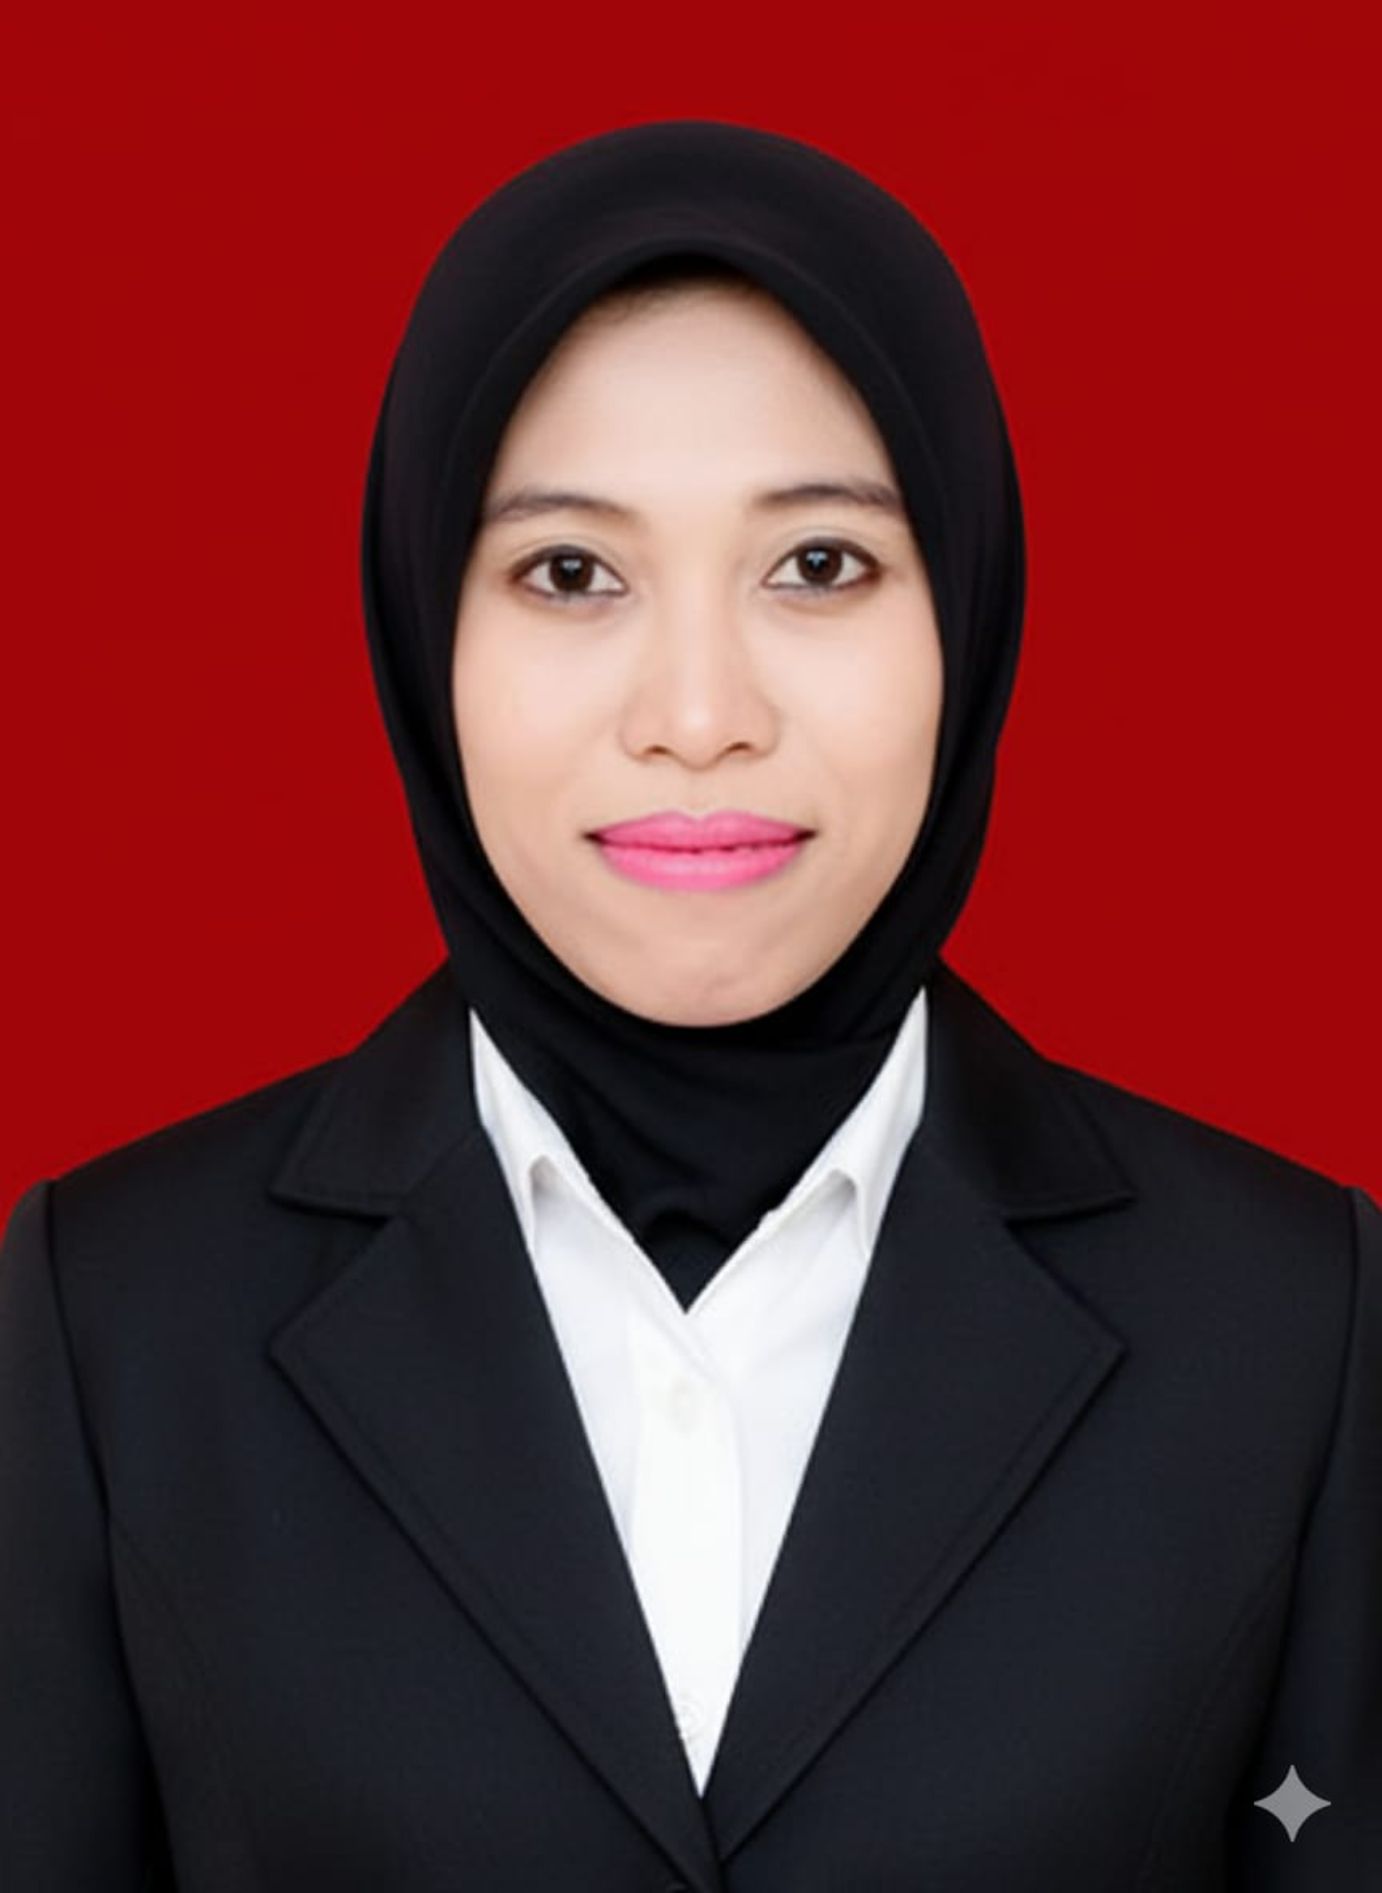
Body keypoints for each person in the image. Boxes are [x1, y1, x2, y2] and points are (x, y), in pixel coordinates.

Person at [0, 118, 1377, 1893]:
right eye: (571, 573)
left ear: (967, 613)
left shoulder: (1292, 1318)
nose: (700, 713)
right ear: (424, 633)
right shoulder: (110, 1313)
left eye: (819, 565)